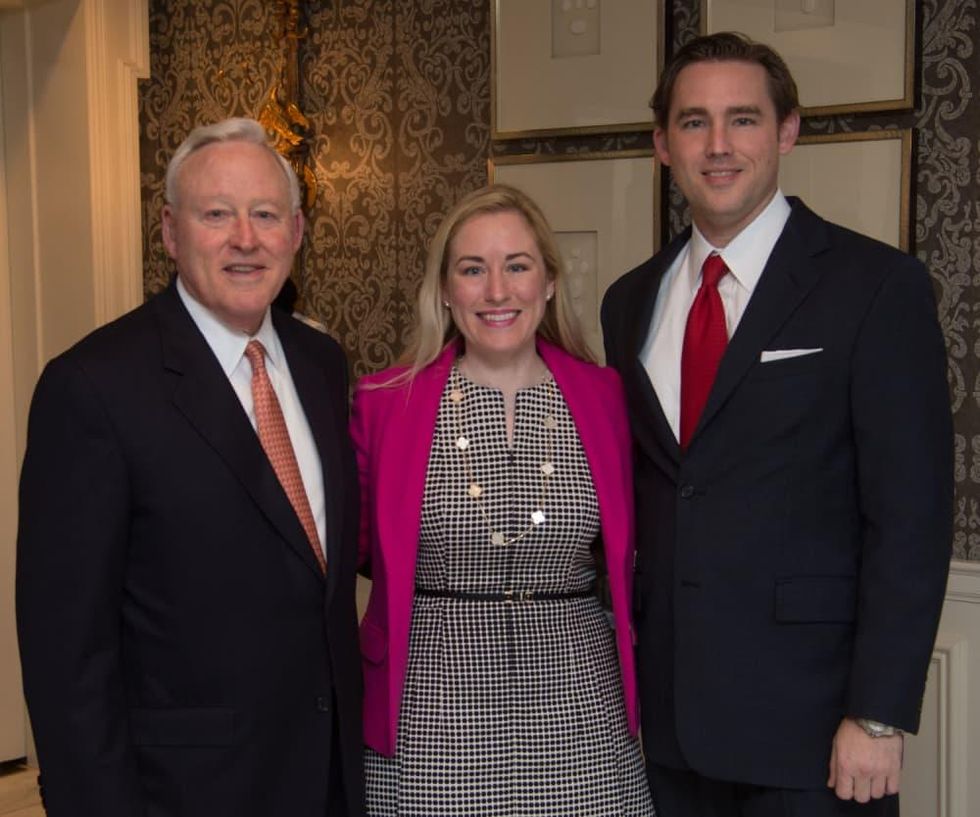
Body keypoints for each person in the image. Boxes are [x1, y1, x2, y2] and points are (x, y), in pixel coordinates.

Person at [601, 31, 952, 816]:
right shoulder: (629, 299)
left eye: (744, 120)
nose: (718, 146)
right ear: (663, 143)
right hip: (662, 727)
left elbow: (912, 516)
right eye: (693, 122)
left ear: (787, 130)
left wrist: (878, 712)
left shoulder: (875, 286)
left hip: (814, 733)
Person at [16, 118, 364, 817]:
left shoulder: (322, 363)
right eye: (217, 214)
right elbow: (67, 654)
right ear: (171, 232)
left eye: (265, 214)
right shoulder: (92, 386)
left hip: (326, 779)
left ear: (295, 232)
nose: (246, 237)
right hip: (182, 793)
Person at [351, 184, 654, 815]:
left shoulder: (604, 397)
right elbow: (349, 549)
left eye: (517, 266)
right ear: (444, 288)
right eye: (472, 269)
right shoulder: (384, 402)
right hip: (430, 701)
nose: (496, 291)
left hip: (579, 700)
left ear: (547, 282)